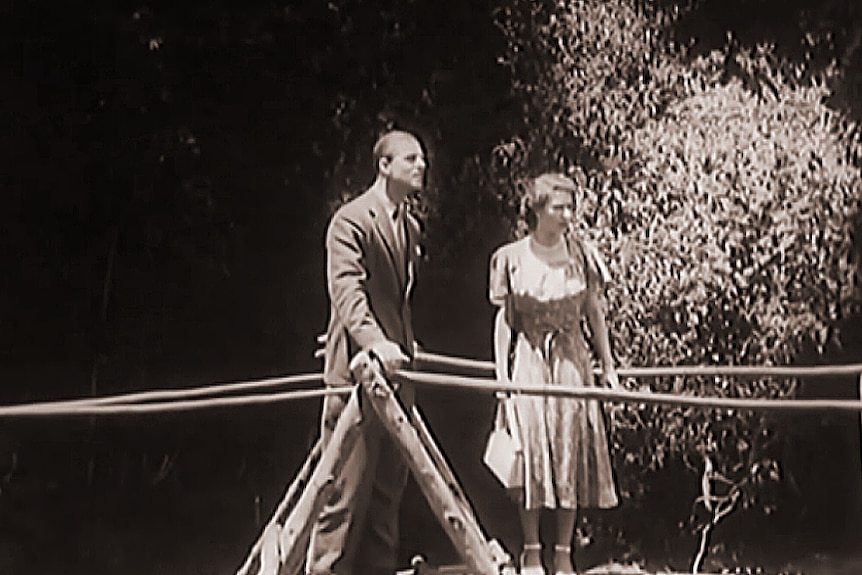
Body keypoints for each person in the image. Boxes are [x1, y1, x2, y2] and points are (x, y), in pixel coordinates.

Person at [307, 129, 426, 575]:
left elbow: (396, 302)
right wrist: (374, 342)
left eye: (422, 160)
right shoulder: (351, 220)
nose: (421, 166)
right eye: (411, 159)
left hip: (399, 380)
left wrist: (407, 349)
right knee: (340, 497)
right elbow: (347, 292)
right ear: (384, 165)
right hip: (357, 379)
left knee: (385, 500)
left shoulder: (410, 228)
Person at [488, 172, 619, 575]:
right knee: (531, 454)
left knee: (568, 451)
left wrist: (608, 366)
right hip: (529, 361)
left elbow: (594, 313)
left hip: (571, 364)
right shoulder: (511, 257)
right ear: (538, 210)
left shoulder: (581, 254)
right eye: (559, 208)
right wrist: (502, 378)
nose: (567, 216)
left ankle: (562, 551)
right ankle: (531, 549)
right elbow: (505, 322)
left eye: (570, 208)